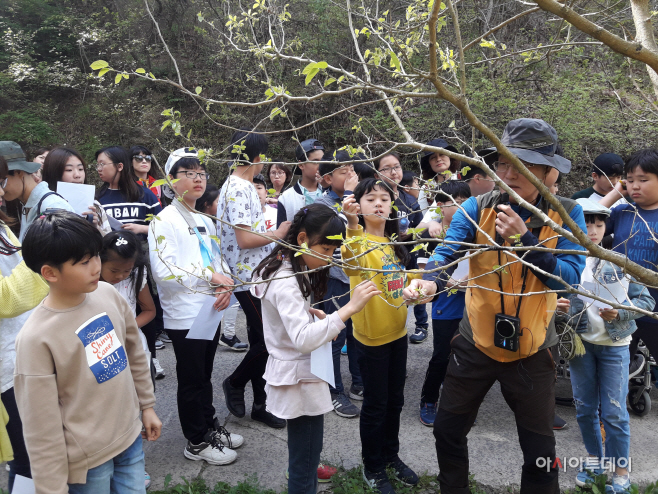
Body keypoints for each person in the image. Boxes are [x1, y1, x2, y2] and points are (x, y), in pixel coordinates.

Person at [404, 118, 587, 494]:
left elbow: (568, 278)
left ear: (550, 172)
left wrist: (525, 239)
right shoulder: (477, 206)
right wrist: (430, 279)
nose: (509, 173)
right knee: (447, 430)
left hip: (533, 348)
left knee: (539, 449)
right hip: (475, 342)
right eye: (502, 163)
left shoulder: (567, 214)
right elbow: (450, 248)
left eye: (524, 165)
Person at [16, 211, 162, 493]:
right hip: (87, 461)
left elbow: (134, 354)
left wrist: (147, 405)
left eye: (96, 255)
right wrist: (52, 487)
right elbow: (40, 428)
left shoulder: (108, 295)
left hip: (130, 437)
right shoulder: (36, 338)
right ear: (50, 272)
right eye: (84, 262)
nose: (97, 266)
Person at [252, 203, 380, 494]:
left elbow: (289, 320)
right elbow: (302, 339)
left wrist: (313, 315)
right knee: (305, 458)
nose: (329, 259)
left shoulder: (287, 264)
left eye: (333, 252)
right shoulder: (286, 279)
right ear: (302, 239)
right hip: (299, 377)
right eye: (325, 250)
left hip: (300, 371)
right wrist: (347, 309)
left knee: (305, 453)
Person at [149, 150, 244, 465]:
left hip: (210, 310)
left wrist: (225, 283)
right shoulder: (164, 220)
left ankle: (209, 427)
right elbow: (165, 272)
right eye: (188, 172)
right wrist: (210, 276)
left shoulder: (205, 219)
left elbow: (216, 261)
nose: (197, 178)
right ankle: (196, 441)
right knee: (191, 379)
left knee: (204, 375)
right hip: (185, 315)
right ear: (171, 182)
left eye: (201, 172)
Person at [560, 198, 654, 493]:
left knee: (614, 411)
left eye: (599, 224)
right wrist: (557, 306)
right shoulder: (567, 262)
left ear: (606, 228)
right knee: (585, 409)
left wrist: (621, 311)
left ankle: (621, 471)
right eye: (586, 224)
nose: (593, 230)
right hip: (581, 345)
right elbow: (548, 298)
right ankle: (595, 462)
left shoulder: (620, 261)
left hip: (615, 345)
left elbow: (646, 300)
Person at [341, 178, 420, 494]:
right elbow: (350, 265)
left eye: (384, 199)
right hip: (371, 338)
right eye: (370, 198)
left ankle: (390, 455)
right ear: (358, 204)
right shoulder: (357, 241)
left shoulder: (396, 242)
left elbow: (406, 278)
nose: (378, 203)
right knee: (376, 405)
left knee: (395, 401)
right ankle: (372, 466)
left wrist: (416, 288)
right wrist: (351, 224)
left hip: (398, 333)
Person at [219, 129, 291, 429]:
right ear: (257, 157)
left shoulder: (245, 185)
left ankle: (262, 404)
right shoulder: (237, 187)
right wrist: (280, 232)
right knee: (268, 340)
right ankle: (235, 382)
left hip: (259, 274)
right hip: (245, 278)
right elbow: (245, 239)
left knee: (260, 340)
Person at [0, 156, 50, 493]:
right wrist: (42, 257)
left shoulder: (2, 226)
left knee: (33, 451)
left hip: (22, 353)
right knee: (26, 455)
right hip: (6, 367)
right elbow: (5, 297)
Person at [599, 148, 658, 391]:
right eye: (630, 180)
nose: (635, 186)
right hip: (622, 305)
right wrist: (614, 195)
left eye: (643, 180)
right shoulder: (622, 212)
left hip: (655, 307)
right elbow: (585, 228)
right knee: (616, 367)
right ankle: (611, 416)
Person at [417, 181, 471, 427]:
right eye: (455, 203)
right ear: (440, 206)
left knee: (467, 357)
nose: (461, 208)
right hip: (445, 307)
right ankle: (429, 399)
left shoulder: (475, 234)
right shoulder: (432, 235)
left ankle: (458, 404)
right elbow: (422, 269)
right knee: (441, 356)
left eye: (465, 202)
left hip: (472, 306)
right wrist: (452, 283)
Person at [316, 150, 362, 418]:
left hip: (356, 278)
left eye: (353, 170)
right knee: (335, 337)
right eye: (345, 172)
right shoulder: (323, 204)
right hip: (334, 280)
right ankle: (334, 391)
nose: (351, 176)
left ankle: (358, 381)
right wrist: (347, 196)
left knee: (357, 335)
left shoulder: (357, 198)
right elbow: (336, 235)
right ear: (329, 177)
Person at [374, 152, 428, 344]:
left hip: (408, 253)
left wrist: (412, 232)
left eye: (396, 167)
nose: (393, 172)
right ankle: (393, 327)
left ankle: (421, 325)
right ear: (377, 174)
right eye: (386, 168)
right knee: (392, 292)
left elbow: (422, 229)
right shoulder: (375, 200)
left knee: (415, 286)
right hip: (386, 256)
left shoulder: (410, 201)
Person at [100, 230, 161, 377]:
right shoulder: (90, 283)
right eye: (114, 270)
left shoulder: (136, 274)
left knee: (139, 387)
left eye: (127, 270)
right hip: (102, 348)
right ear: (99, 261)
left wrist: (128, 327)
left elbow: (149, 310)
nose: (120, 276)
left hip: (132, 342)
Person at [0, 141, 75, 241]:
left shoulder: (53, 206)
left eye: (1, 182)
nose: (1, 190)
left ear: (19, 172)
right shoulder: (28, 205)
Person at [42, 146, 112, 234]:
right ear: (54, 173)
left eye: (80, 169)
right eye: (69, 170)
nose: (77, 175)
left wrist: (95, 227)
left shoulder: (94, 206)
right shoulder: (45, 204)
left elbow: (109, 241)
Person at [95, 146, 162, 238]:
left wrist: (141, 229)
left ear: (119, 166)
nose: (99, 169)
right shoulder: (97, 198)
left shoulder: (145, 195)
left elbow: (163, 228)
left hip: (141, 250)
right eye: (97, 165)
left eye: (102, 164)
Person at [276, 138, 324, 226]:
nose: (320, 166)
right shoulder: (286, 198)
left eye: (323, 161)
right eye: (315, 162)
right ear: (301, 165)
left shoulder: (329, 193)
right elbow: (281, 236)